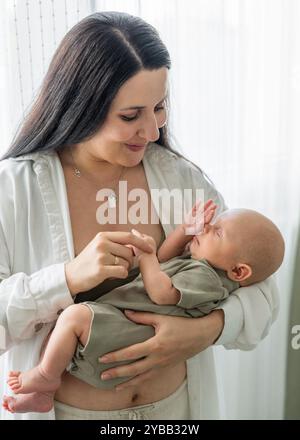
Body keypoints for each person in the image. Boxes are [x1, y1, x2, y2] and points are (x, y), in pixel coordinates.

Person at [0, 11, 279, 421]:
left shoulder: (179, 178)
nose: (151, 132)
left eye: (159, 107)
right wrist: (67, 278)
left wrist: (205, 330)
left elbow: (260, 284)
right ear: (82, 107)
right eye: (131, 116)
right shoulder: (14, 188)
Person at [3, 202, 285, 414]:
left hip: (131, 332)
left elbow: (162, 292)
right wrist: (183, 233)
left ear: (238, 271)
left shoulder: (209, 279)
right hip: (89, 393)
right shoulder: (202, 263)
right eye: (128, 118)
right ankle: (44, 392)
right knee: (65, 324)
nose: (207, 227)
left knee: (74, 316)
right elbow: (166, 259)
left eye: (218, 232)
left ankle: (46, 378)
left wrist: (147, 256)